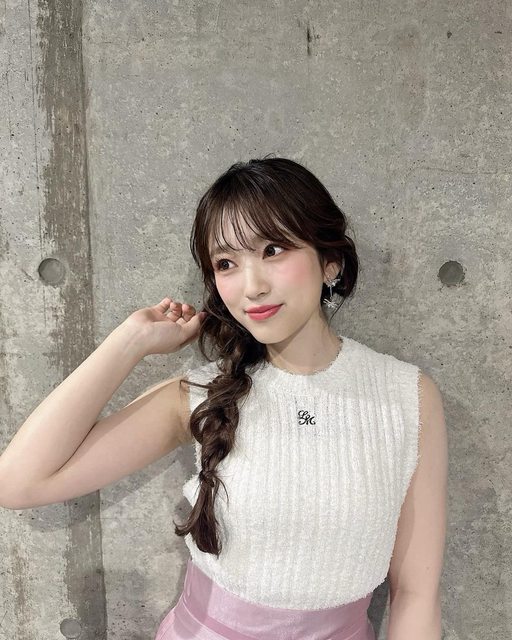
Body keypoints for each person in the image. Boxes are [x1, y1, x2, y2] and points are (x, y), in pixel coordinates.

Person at [0, 156, 448, 640]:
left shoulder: (406, 397)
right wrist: (129, 342)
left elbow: (416, 595)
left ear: (330, 261)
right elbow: (19, 484)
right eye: (227, 263)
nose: (252, 287)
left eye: (273, 249)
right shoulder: (203, 393)